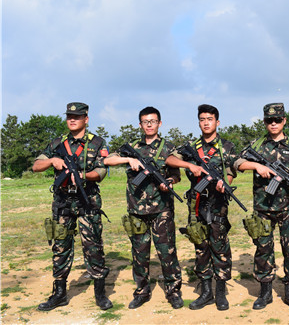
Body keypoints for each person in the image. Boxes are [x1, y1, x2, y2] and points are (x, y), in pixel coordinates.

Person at [32, 102, 112, 311]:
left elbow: (102, 172)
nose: (72, 119)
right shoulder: (57, 143)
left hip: (87, 200)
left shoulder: (97, 143)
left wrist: (82, 176)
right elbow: (36, 165)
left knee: (93, 246)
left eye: (77, 116)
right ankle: (59, 294)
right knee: (60, 247)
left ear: (86, 119)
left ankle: (100, 293)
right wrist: (52, 161)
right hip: (62, 202)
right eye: (69, 116)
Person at [103, 106, 183, 309]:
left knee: (167, 252)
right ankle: (142, 291)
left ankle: (173, 291)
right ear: (140, 124)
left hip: (162, 209)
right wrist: (129, 159)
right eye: (145, 121)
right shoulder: (131, 146)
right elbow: (107, 160)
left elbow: (176, 174)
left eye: (153, 121)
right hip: (136, 210)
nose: (149, 124)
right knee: (139, 253)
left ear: (160, 123)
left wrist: (170, 182)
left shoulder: (168, 148)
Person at [235, 103, 289, 311]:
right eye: (269, 120)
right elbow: (237, 162)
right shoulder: (256, 145)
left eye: (277, 120)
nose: (273, 123)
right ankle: (265, 290)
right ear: (265, 122)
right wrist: (257, 165)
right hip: (263, 206)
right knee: (263, 249)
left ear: (284, 121)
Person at [166, 104, 238, 311]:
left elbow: (232, 169)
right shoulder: (191, 146)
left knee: (220, 245)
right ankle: (206, 291)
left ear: (217, 122)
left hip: (217, 204)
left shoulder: (227, 147)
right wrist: (190, 165)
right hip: (196, 203)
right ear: (199, 122)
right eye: (202, 119)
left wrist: (225, 181)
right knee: (200, 245)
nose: (206, 122)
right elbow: (169, 159)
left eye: (210, 119)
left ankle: (221, 292)